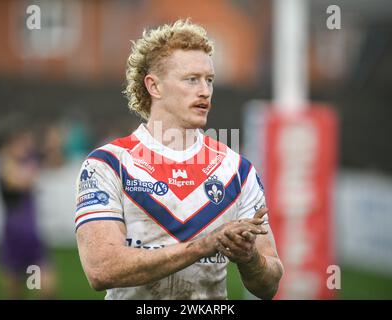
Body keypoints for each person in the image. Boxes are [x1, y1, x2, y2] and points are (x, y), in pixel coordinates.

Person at [75, 19, 283, 300]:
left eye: (209, 80)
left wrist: (249, 258)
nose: (205, 91)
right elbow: (101, 269)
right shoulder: (107, 164)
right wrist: (203, 246)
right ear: (154, 87)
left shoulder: (238, 170)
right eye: (191, 79)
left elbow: (269, 285)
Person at [0, 126, 56, 299]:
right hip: (14, 237)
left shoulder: (27, 162)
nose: (25, 147)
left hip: (31, 237)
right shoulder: (5, 166)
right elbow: (19, 182)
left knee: (43, 288)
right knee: (15, 292)